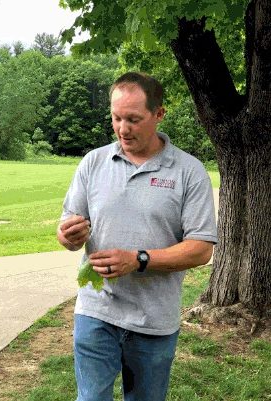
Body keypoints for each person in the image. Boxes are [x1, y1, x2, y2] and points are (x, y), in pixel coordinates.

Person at [57, 72, 218, 401]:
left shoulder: (189, 172)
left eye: (133, 119)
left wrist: (139, 260)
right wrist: (69, 235)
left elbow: (201, 250)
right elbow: (67, 231)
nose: (122, 128)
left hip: (154, 319)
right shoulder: (93, 162)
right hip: (95, 309)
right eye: (116, 118)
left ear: (159, 114)